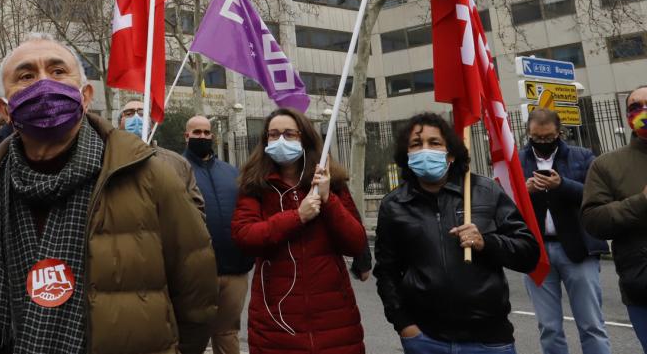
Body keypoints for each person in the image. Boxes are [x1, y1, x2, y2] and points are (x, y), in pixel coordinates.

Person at [0, 33, 217, 354]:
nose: (44, 84)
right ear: (4, 109)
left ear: (85, 96)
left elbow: (197, 297)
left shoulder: (151, 177)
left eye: (57, 72)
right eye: (26, 76)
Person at [375, 112, 540, 354]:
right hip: (426, 340)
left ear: (450, 152)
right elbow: (386, 272)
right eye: (416, 144)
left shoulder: (485, 191)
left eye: (434, 143)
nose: (425, 150)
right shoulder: (394, 204)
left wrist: (487, 243)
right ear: (406, 155)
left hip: (490, 340)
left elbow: (528, 254)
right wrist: (404, 325)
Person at [231, 107, 366, 354]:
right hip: (275, 321)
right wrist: (297, 217)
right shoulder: (254, 185)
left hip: (334, 319)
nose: (280, 140)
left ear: (304, 138)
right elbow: (245, 236)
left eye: (289, 134)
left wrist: (329, 200)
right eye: (273, 134)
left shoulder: (331, 182)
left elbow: (356, 243)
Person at [518, 108, 610, 354]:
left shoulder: (582, 157)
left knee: (591, 324)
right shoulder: (517, 161)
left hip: (578, 249)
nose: (543, 143)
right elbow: (505, 204)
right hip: (537, 252)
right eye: (537, 138)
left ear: (559, 132)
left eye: (549, 137)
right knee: (548, 327)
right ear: (528, 133)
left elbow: (597, 196)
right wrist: (524, 192)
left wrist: (562, 185)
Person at [582, 85, 647, 349]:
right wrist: (642, 201)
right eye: (635, 107)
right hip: (643, 287)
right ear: (627, 117)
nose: (643, 111)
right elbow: (594, 220)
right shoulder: (606, 165)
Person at [182, 115, 253, 354]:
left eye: (206, 132)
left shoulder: (231, 172)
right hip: (197, 273)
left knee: (227, 332)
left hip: (235, 271)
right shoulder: (176, 169)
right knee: (192, 334)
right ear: (186, 136)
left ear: (212, 136)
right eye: (197, 132)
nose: (202, 137)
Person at [118, 98, 205, 213]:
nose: (136, 118)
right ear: (119, 124)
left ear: (152, 123)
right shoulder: (107, 160)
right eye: (129, 114)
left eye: (142, 114)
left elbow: (196, 210)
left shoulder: (177, 163)